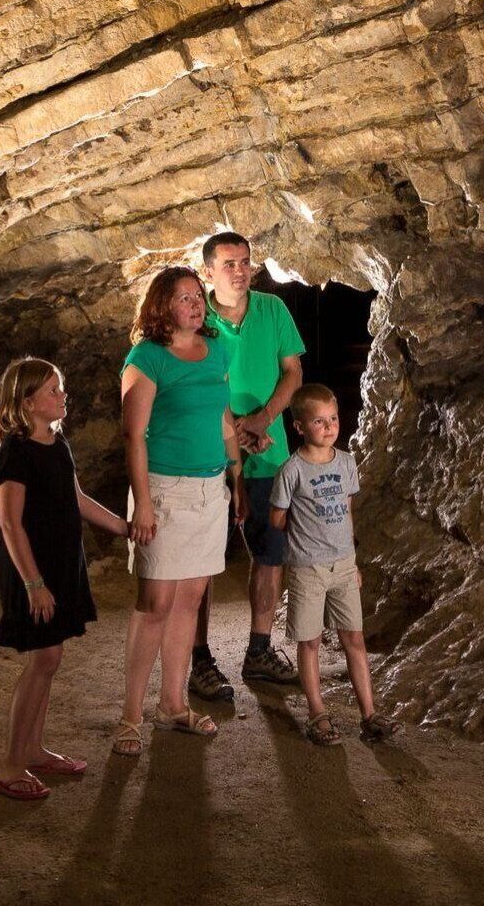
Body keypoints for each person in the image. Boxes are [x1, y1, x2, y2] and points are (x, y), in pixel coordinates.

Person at [114, 266, 245, 756]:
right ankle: (130, 716)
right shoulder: (146, 358)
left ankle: (171, 705)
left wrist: (235, 474)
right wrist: (144, 504)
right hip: (165, 491)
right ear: (162, 306)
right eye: (183, 297)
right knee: (155, 604)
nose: (195, 304)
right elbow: (134, 436)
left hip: (210, 490)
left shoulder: (217, 349)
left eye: (197, 296)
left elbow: (222, 416)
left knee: (190, 600)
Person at [0, 357, 128, 800]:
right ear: (28, 402)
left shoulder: (57, 442)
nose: (63, 395)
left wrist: (124, 527)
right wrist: (34, 584)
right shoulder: (16, 452)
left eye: (60, 387)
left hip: (61, 565)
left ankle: (32, 750)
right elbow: (10, 523)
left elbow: (76, 498)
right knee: (44, 659)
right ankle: (11, 765)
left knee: (49, 659)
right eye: (53, 390)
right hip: (34, 571)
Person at [190, 230, 305, 700]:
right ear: (209, 272)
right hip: (209, 457)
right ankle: (199, 659)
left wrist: (263, 418)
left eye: (245, 262)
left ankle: (259, 650)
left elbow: (293, 371)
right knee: (199, 562)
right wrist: (232, 431)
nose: (240, 271)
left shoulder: (273, 309)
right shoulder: (197, 318)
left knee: (271, 553)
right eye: (229, 264)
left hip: (269, 453)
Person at [271, 383, 400, 745]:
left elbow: (346, 512)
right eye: (319, 421)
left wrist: (353, 562)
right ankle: (318, 714)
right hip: (307, 568)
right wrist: (305, 531)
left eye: (333, 419)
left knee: (354, 638)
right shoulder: (291, 471)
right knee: (310, 642)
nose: (329, 427)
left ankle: (369, 715)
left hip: (343, 565)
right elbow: (277, 518)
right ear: (299, 427)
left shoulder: (346, 462)